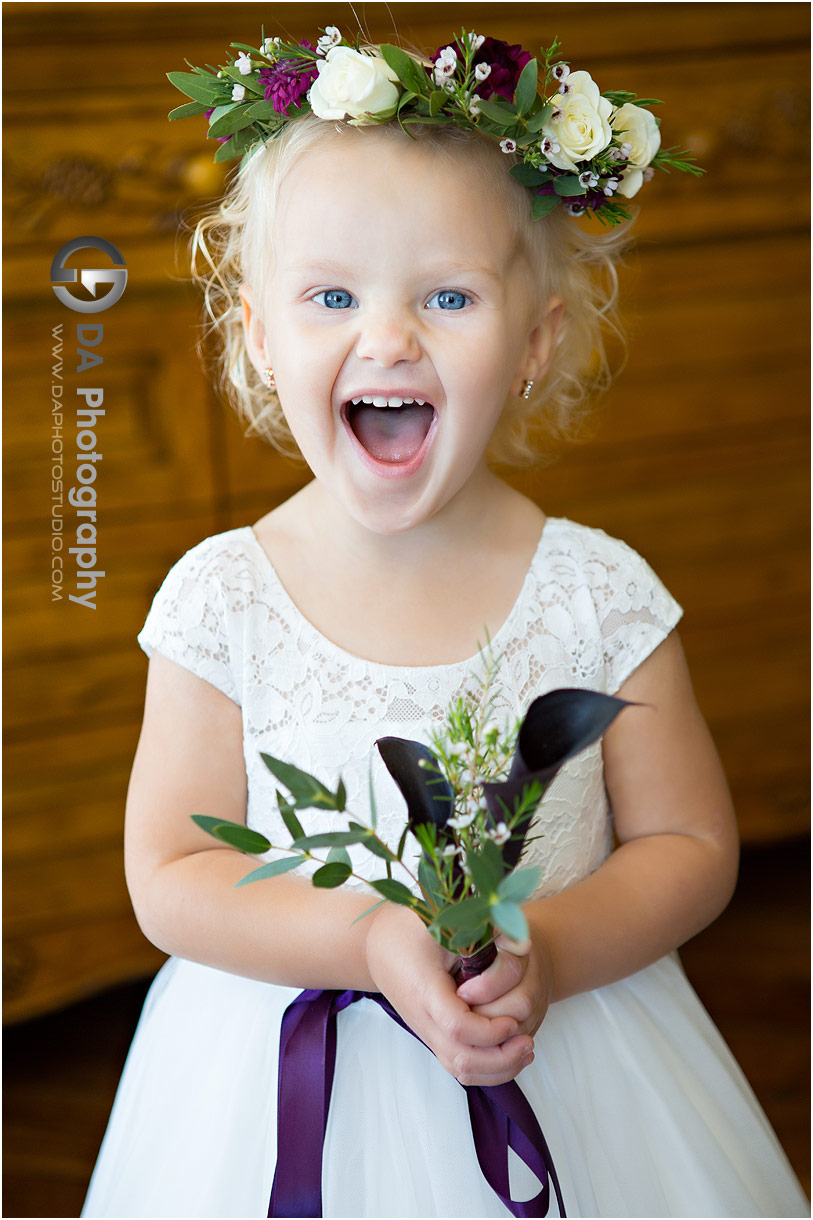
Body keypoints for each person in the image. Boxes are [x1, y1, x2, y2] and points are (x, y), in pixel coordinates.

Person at [82, 25, 809, 1219]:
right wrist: (366, 941)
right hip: (265, 1080)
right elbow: (168, 870)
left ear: (535, 343)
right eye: (331, 295)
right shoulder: (225, 597)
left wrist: (556, 953)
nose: (388, 336)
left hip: (574, 1062)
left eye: (449, 295)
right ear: (261, 335)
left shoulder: (599, 591)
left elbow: (690, 844)